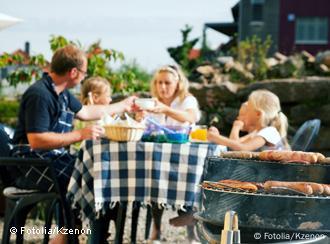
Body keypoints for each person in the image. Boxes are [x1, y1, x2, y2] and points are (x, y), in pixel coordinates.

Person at [11, 45, 136, 244]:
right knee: (86, 177)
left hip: (51, 159)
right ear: (74, 72)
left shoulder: (62, 93)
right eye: (84, 73)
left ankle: (87, 235)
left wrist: (124, 105)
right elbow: (36, 140)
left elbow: (86, 113)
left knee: (99, 172)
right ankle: (70, 236)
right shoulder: (40, 94)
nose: (84, 78)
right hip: (30, 163)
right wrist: (80, 134)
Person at [136, 65, 201, 243]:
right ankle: (156, 232)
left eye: (166, 83)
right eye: (158, 82)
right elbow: (146, 130)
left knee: (190, 181)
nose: (162, 87)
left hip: (183, 158)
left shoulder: (187, 100)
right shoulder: (152, 103)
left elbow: (191, 117)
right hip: (158, 157)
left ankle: (191, 234)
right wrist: (140, 119)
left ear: (177, 83)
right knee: (153, 179)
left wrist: (166, 110)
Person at [207, 89, 290, 151]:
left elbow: (242, 148)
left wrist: (217, 138)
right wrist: (216, 136)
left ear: (258, 114)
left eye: (248, 110)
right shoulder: (257, 133)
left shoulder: (269, 132)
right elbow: (235, 144)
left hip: (271, 173)